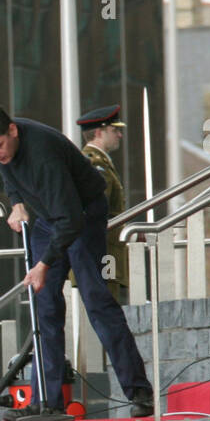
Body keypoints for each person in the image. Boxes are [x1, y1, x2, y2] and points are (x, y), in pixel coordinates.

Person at [0, 103, 153, 418]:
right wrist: (16, 204)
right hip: (47, 217)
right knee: (45, 306)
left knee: (96, 299)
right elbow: (9, 177)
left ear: (12, 130)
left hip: (81, 214)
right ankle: (47, 401)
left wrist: (43, 266)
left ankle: (139, 391)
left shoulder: (43, 156)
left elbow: (70, 221)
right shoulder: (1, 149)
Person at [77, 105, 128, 302]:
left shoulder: (99, 162)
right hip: (101, 250)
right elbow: (97, 207)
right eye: (115, 130)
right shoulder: (93, 163)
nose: (120, 135)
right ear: (98, 132)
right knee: (106, 307)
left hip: (103, 249)